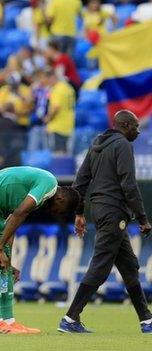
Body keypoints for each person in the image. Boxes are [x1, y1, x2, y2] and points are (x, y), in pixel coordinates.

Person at [59, 110, 152, 334]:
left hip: (101, 210)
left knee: (129, 267)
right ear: (125, 125)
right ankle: (70, 318)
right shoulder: (123, 145)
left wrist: (79, 213)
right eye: (135, 127)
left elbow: (80, 182)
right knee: (100, 266)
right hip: (114, 212)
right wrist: (142, 218)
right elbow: (129, 184)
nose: (138, 131)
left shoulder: (96, 145)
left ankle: (146, 320)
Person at [0, 166, 80, 334]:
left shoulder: (41, 195)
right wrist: (0, 247)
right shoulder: (48, 183)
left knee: (5, 266)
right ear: (61, 199)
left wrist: (8, 259)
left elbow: (15, 220)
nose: (55, 213)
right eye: (59, 211)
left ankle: (9, 322)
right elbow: (19, 213)